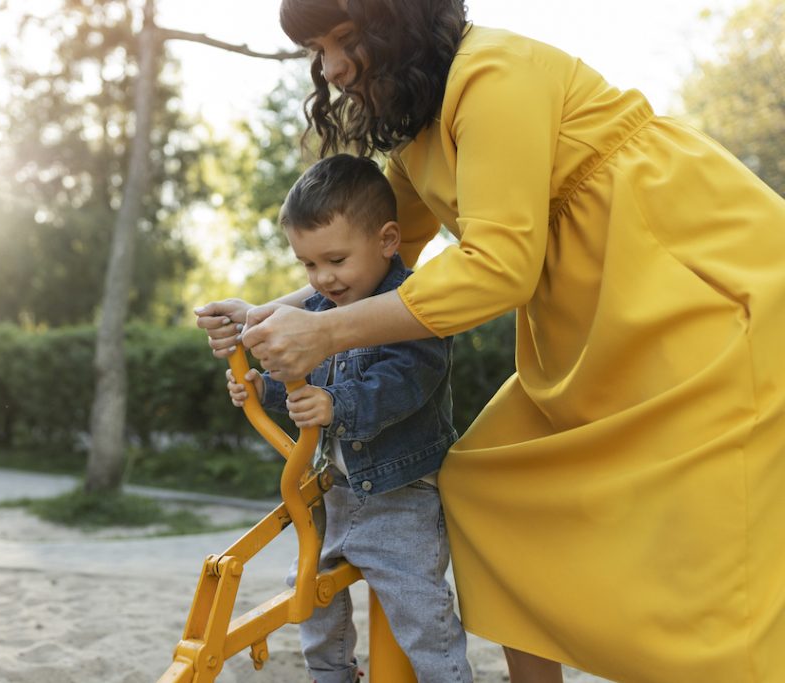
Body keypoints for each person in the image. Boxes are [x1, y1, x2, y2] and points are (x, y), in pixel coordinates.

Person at [195, 1, 785, 682]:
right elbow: (382, 264)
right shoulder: (419, 134)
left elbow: (497, 269)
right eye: (317, 49)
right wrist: (264, 316)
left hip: (699, 287)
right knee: (481, 482)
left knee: (713, 540)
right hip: (591, 327)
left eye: (345, 38)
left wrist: (322, 331)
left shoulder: (492, 76)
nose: (329, 67)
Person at [222, 153, 473, 683]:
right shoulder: (314, 312)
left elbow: (407, 381)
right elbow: (300, 387)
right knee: (310, 596)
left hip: (400, 499)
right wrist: (262, 387)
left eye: (335, 260)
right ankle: (332, 676)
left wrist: (339, 405)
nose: (323, 278)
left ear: (386, 241)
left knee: (421, 614)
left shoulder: (412, 307)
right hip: (332, 496)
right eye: (309, 265)